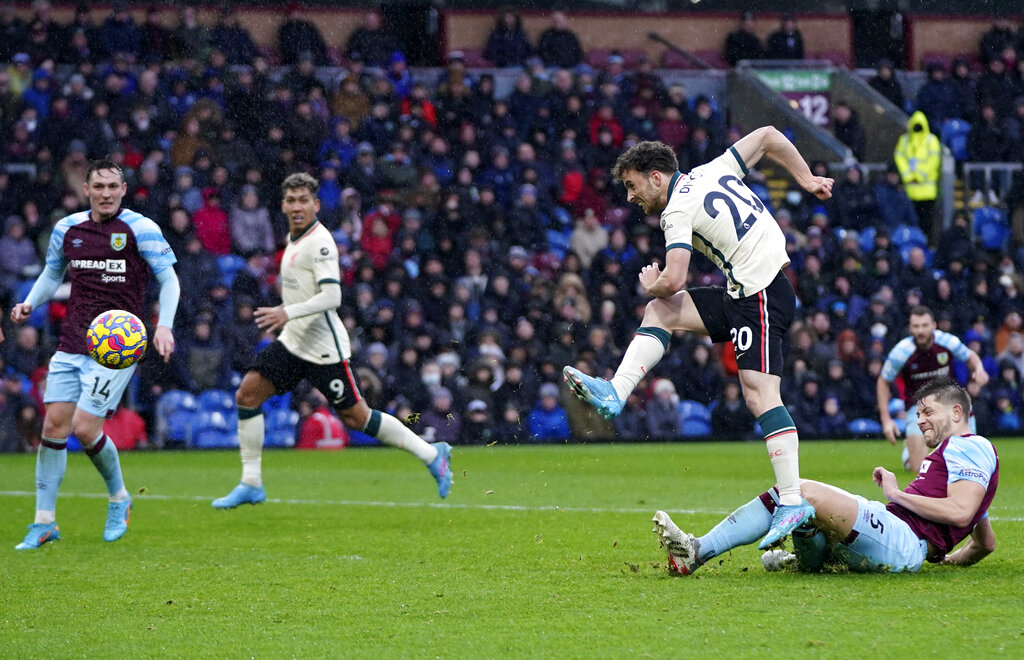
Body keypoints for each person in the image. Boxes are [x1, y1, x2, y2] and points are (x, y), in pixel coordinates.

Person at [563, 127, 834, 548]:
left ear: (657, 177)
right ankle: (616, 391)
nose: (630, 198)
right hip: (746, 290)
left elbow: (673, 279)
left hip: (758, 294)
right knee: (661, 315)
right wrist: (806, 178)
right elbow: (766, 135)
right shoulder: (714, 169)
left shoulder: (675, 210)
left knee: (760, 395)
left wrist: (652, 282)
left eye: (633, 186)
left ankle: (794, 500)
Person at [212, 173, 452, 509]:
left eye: (304, 200)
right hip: (295, 341)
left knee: (357, 418)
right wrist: (287, 311)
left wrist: (287, 313)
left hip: (322, 349)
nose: (297, 206)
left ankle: (431, 454)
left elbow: (332, 296)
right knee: (248, 395)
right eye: (291, 200)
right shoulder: (294, 238)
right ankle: (251, 482)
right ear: (283, 205)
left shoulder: (320, 243)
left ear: (316, 205)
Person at [652, 379, 998, 576]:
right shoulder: (961, 461)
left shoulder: (970, 446)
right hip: (899, 544)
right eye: (917, 412)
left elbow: (960, 513)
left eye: (927, 412)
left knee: (800, 491)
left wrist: (897, 493)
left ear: (956, 412)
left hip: (901, 539)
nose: (919, 420)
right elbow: (984, 540)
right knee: (806, 517)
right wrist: (949, 558)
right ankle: (798, 558)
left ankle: (697, 552)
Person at [10, 159, 180, 549]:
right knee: (53, 428)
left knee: (85, 428)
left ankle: (120, 498)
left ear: (124, 190)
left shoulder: (141, 229)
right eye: (98, 187)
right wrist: (30, 303)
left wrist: (165, 325)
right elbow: (54, 274)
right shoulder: (67, 229)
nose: (105, 193)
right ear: (86, 190)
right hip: (73, 340)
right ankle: (44, 522)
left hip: (118, 346)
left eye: (112, 187)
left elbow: (169, 278)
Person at [877, 305, 989, 473]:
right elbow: (883, 381)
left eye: (924, 325)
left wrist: (979, 369)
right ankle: (910, 452)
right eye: (916, 326)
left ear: (934, 326)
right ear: (910, 328)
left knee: (967, 463)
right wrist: (886, 420)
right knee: (918, 470)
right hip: (918, 409)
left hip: (949, 405)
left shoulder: (947, 342)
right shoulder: (901, 352)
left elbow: (970, 356)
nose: (920, 330)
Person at [894, 111, 942, 240]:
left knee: (926, 223)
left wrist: (919, 176)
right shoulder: (904, 140)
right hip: (910, 190)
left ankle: (926, 243)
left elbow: (933, 161)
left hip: (927, 191)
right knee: (911, 222)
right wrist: (909, 176)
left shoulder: (931, 140)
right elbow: (899, 157)